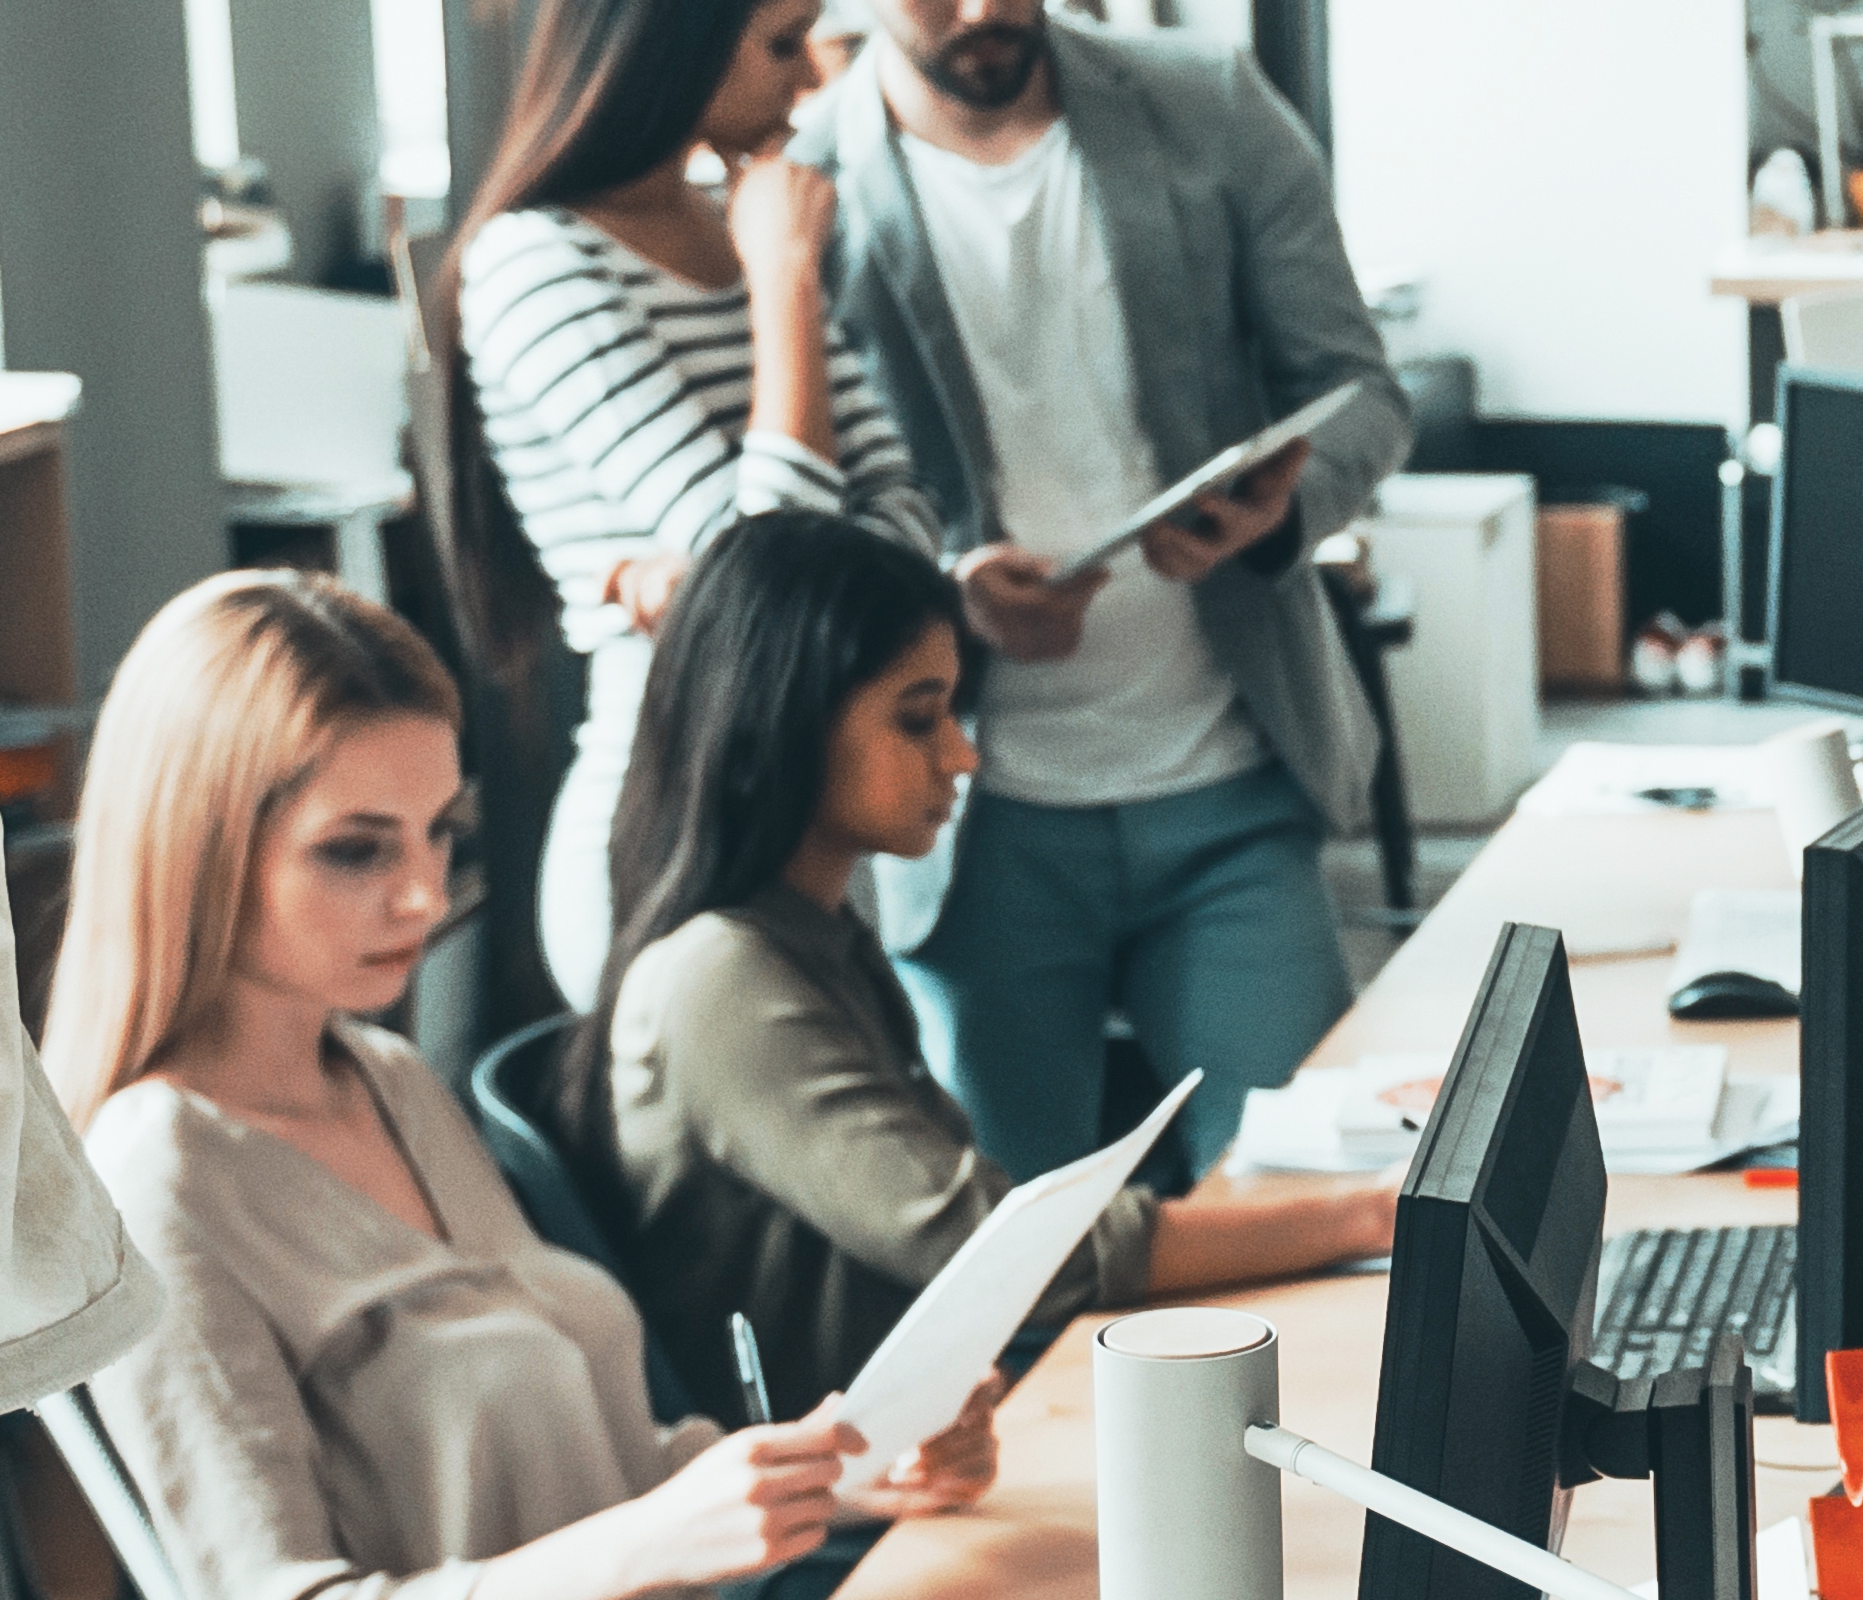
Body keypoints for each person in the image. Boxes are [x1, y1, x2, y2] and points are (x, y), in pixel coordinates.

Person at [44, 572, 994, 1600]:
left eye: (440, 833)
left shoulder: (382, 1076)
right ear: (197, 847)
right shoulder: (159, 1183)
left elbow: (609, 1468)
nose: (425, 897)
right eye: (356, 851)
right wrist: (659, 1541)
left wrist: (843, 1466)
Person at [797, 0, 1411, 1180]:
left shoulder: (1207, 108)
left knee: (1303, 1202)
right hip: (970, 823)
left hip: (1230, 784)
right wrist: (945, 600)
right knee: (1017, 1256)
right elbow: (799, 535)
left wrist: (1274, 517)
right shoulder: (802, 200)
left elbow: (1361, 395)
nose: (986, 3)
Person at [583, 512, 1404, 1406]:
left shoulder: (815, 937)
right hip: (866, 1466)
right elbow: (999, 1256)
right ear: (780, 724)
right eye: (918, 719)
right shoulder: (720, 979)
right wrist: (1371, 1214)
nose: (963, 754)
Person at [405, 0, 940, 1011]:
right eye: (782, 44)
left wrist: (725, 576)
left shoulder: (734, 221)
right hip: (664, 831)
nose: (807, 84)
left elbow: (903, 534)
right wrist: (784, 283)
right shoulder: (536, 263)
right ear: (680, 38)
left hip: (806, 830)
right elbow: (778, 574)